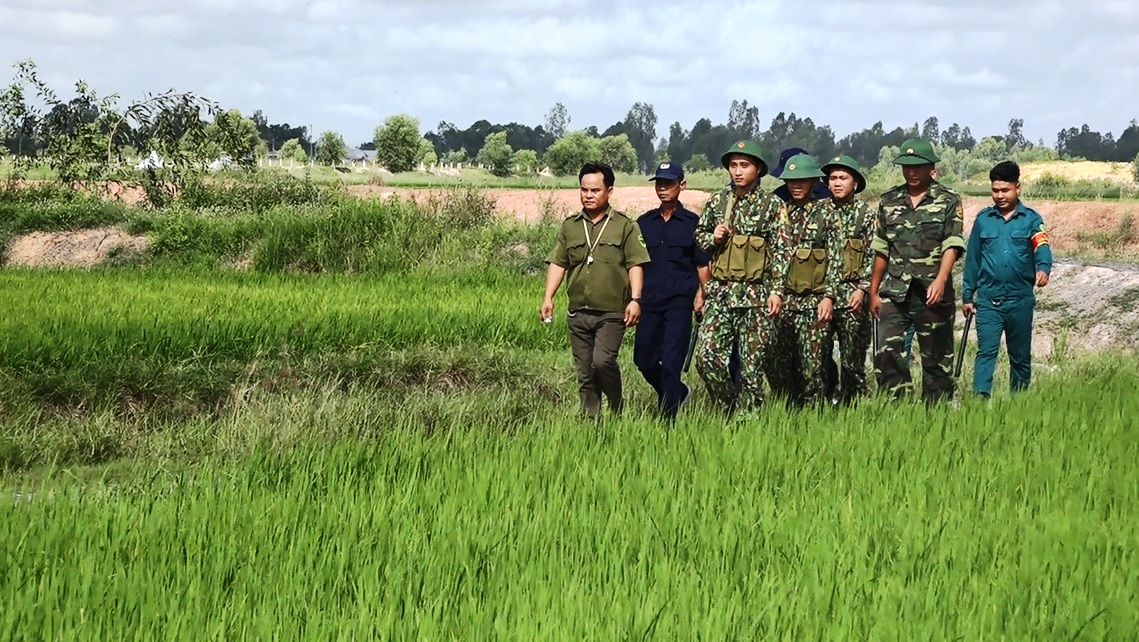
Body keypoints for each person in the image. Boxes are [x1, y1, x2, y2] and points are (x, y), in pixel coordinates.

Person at [540, 162, 651, 419]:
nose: (589, 195)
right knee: (585, 372)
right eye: (584, 190)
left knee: (602, 362)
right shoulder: (570, 226)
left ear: (609, 191)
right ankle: (592, 422)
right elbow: (558, 262)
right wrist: (548, 297)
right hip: (578, 311)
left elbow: (636, 264)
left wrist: (635, 300)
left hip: (612, 311)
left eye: (595, 190)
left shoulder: (624, 226)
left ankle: (616, 407)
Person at [694, 140, 790, 415]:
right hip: (722, 295)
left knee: (752, 368)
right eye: (733, 165)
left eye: (744, 165)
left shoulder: (772, 205)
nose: (737, 171)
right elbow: (699, 237)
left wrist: (777, 291)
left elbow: (783, 251)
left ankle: (750, 423)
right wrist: (713, 237)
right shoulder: (718, 201)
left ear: (758, 169)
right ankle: (729, 408)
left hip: (756, 297)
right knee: (707, 358)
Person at [868, 138, 966, 403]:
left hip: (932, 293)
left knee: (936, 361)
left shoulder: (948, 200)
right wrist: (873, 291)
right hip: (896, 292)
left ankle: (936, 417)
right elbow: (881, 248)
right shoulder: (889, 201)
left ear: (930, 167)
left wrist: (941, 280)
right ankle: (896, 411)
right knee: (887, 354)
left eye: (918, 167)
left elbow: (953, 244)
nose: (911, 172)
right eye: (906, 166)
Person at [962, 160, 1052, 397]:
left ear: (1018, 188)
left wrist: (1043, 267)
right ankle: (979, 404)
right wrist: (967, 295)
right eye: (995, 190)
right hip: (989, 300)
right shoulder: (983, 220)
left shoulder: (1031, 219)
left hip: (1020, 300)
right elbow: (972, 260)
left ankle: (1018, 404)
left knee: (1020, 356)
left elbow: (1042, 246)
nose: (999, 196)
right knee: (986, 353)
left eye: (1005, 190)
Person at [634, 161, 711, 421]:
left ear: (682, 185)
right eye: (659, 183)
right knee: (643, 359)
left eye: (668, 183)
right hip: (650, 300)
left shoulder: (692, 223)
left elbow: (702, 262)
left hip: (680, 301)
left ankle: (668, 420)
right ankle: (677, 392)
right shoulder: (644, 223)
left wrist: (703, 294)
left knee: (671, 361)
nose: (663, 188)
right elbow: (635, 263)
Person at [768, 153, 841, 406]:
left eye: (802, 181)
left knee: (813, 368)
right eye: (791, 181)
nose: (796, 186)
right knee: (775, 361)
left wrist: (829, 297)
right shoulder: (779, 213)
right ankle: (788, 409)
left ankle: (814, 415)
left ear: (814, 182)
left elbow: (835, 258)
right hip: (783, 302)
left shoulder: (826, 213)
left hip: (813, 302)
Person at [821, 154, 877, 404]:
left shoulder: (865, 214)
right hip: (821, 297)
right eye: (832, 178)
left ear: (855, 183)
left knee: (852, 360)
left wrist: (863, 288)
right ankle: (825, 400)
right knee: (817, 356)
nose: (837, 183)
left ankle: (854, 407)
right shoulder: (818, 211)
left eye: (843, 178)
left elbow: (873, 254)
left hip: (853, 297)